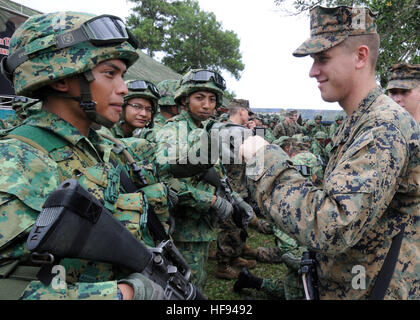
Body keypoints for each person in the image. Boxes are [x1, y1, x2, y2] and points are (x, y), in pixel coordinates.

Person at [240, 5, 420, 299]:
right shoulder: (359, 120)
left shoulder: (384, 127)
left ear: (361, 56)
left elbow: (332, 225)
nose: (313, 71)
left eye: (322, 59)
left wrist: (264, 159)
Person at [0, 11, 172, 300]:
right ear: (60, 79)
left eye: (122, 75)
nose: (123, 88)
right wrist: (124, 295)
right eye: (110, 73)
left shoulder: (99, 147)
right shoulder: (18, 160)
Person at [155, 69, 253, 289]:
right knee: (185, 287)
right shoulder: (174, 130)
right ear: (184, 99)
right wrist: (210, 201)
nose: (206, 105)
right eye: (199, 98)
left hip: (200, 227)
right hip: (180, 229)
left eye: (211, 99)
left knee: (195, 282)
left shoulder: (205, 130)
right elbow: (162, 180)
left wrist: (237, 200)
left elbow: (217, 178)